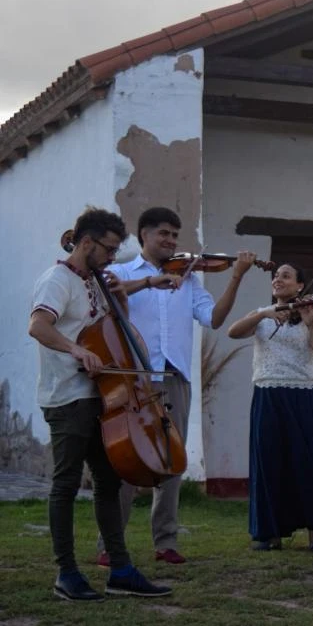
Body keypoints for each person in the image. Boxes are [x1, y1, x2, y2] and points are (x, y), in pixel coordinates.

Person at [95, 206, 256, 565]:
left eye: (174, 235)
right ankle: (110, 544)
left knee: (171, 461)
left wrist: (236, 277)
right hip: (131, 378)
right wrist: (150, 281)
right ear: (144, 236)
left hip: (173, 378)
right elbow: (108, 297)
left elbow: (214, 318)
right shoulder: (120, 271)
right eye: (163, 233)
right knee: (123, 460)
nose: (170, 241)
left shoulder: (188, 280)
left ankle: (165, 541)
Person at [29, 207, 172, 600]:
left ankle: (121, 568)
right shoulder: (57, 280)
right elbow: (38, 325)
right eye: (108, 249)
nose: (113, 258)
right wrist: (77, 350)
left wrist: (121, 297)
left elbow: (116, 330)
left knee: (109, 483)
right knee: (67, 483)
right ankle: (67, 573)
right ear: (86, 242)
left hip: (104, 398)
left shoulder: (96, 281)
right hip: (67, 397)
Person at [227, 264, 313, 552]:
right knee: (269, 461)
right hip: (269, 393)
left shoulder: (312, 313)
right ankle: (270, 534)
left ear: (300, 286)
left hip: (306, 392)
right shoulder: (262, 314)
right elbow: (232, 332)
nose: (278, 279)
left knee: (310, 460)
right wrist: (263, 313)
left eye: (286, 275)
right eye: (276, 276)